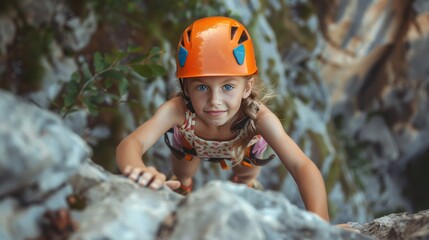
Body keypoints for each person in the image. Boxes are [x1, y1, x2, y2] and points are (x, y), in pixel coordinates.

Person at [116, 16, 330, 221]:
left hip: (242, 146)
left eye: (228, 86)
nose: (214, 101)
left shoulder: (258, 118)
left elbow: (301, 166)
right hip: (190, 143)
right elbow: (133, 142)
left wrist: (321, 225)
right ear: (186, 88)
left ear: (247, 87)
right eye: (201, 86)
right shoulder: (178, 111)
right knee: (182, 176)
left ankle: (243, 189)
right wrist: (138, 170)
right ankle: (183, 187)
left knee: (246, 176)